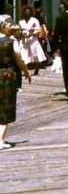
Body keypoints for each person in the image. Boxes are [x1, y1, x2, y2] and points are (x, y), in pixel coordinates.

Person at [0, 17, 31, 150]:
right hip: (7, 75)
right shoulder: (11, 42)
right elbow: (18, 59)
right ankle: (0, 140)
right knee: (6, 106)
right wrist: (26, 72)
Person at [18, 6, 46, 76]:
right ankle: (25, 70)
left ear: (31, 12)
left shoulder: (35, 20)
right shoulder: (21, 21)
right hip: (24, 40)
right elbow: (19, 30)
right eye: (26, 12)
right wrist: (21, 34)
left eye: (28, 12)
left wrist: (32, 33)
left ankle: (36, 69)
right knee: (24, 55)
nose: (27, 13)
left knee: (35, 55)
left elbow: (38, 29)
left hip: (33, 40)